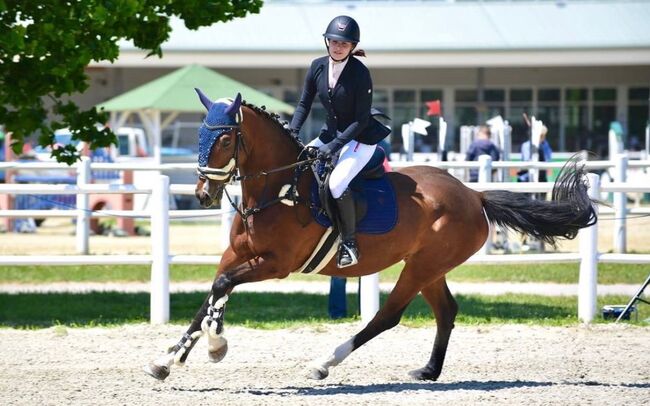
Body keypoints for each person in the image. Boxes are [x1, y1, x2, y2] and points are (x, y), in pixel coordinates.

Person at [290, 15, 390, 268]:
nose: (337, 47)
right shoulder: (317, 66)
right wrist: (292, 132)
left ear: (353, 46)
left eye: (343, 44)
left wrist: (332, 148)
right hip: (330, 132)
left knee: (336, 183)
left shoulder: (360, 74)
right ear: (327, 42)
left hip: (360, 137)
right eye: (333, 41)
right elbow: (304, 104)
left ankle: (349, 242)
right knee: (299, 166)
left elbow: (360, 120)